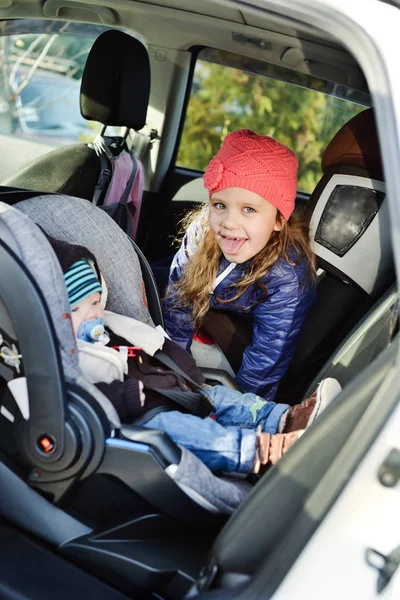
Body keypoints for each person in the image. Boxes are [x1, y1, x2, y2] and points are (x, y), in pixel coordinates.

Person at [51, 236, 340, 477]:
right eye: (77, 309)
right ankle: (265, 453)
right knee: (183, 431)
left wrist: (183, 373)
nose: (93, 314)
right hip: (140, 417)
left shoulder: (109, 329)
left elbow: (153, 347)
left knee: (223, 398)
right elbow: (71, 397)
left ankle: (286, 417)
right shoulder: (60, 356)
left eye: (94, 302)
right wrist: (124, 397)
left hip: (172, 390)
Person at [163, 129, 317, 401]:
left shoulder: (288, 274)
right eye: (220, 205)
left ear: (279, 220)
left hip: (242, 328)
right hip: (212, 305)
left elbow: (267, 357)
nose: (229, 222)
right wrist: (175, 371)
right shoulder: (202, 230)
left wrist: (239, 409)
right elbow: (179, 300)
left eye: (249, 209)